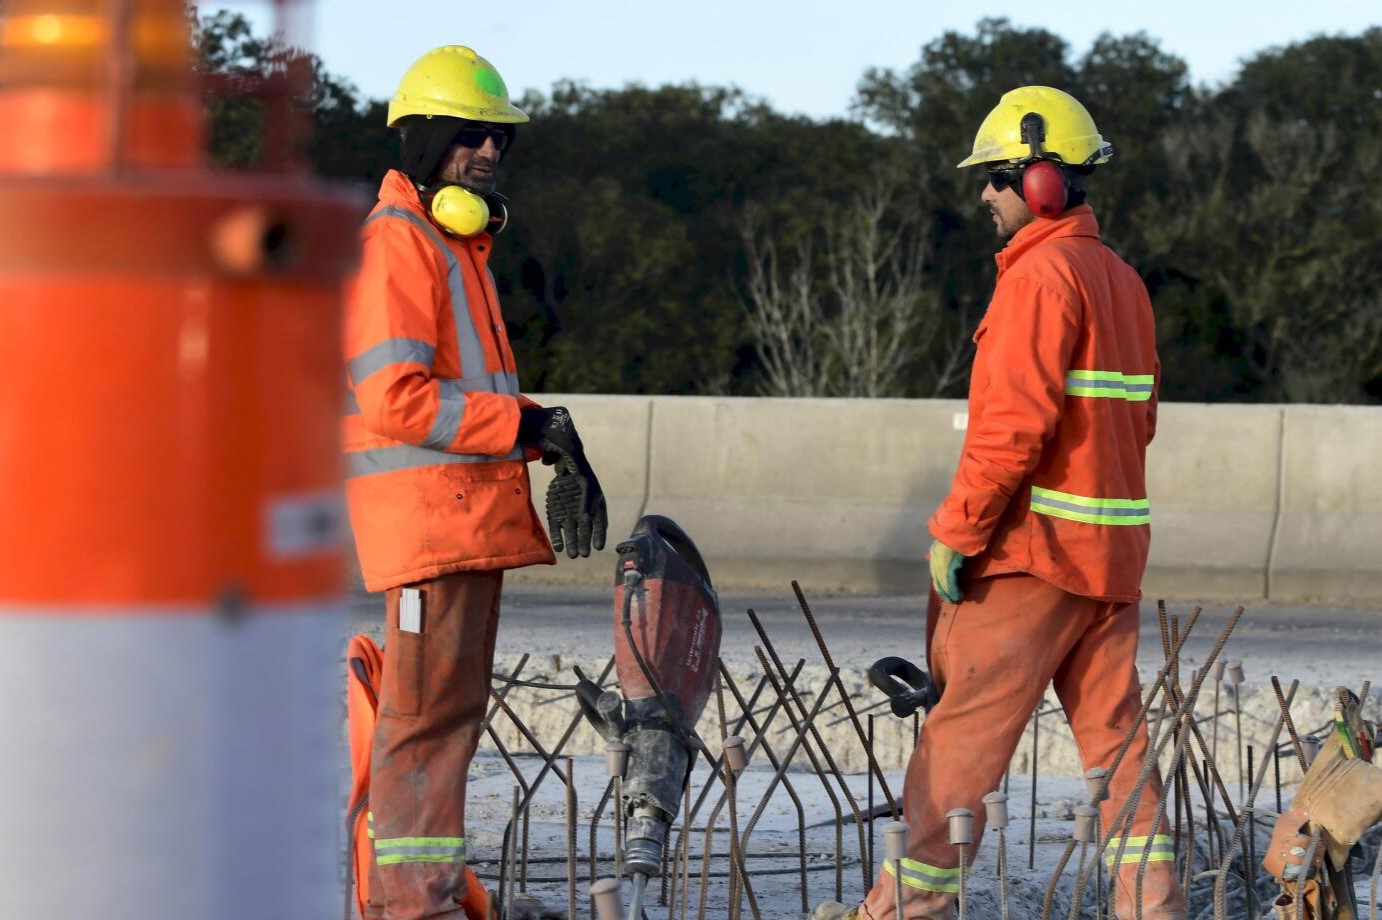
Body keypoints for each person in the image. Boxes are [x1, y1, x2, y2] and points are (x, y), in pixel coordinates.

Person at [816, 86, 1186, 920]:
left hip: (1032, 557)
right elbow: (1141, 422)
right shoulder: (1122, 282)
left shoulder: (1040, 277)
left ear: (1044, 180)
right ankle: (1153, 908)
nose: (984, 193)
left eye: (995, 176)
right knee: (1119, 756)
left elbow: (1011, 430)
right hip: (1109, 563)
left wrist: (955, 532)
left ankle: (899, 915)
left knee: (953, 756)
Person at [343, 45, 607, 920]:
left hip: (459, 528)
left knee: (443, 728)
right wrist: (527, 427)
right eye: (471, 135)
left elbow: (474, 398)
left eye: (500, 138)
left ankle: (428, 898)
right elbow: (395, 398)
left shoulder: (456, 249)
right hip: (428, 532)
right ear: (422, 142)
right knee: (422, 729)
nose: (490, 151)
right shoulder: (401, 243)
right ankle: (410, 909)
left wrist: (547, 435)